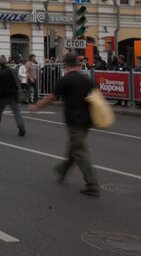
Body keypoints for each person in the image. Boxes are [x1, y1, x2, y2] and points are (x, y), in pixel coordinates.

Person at [31, 52, 100, 197]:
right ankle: (62, 170)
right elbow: (97, 99)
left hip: (75, 121)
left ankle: (92, 184)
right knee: (74, 148)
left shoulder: (66, 80)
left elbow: (51, 97)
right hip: (87, 121)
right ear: (78, 64)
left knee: (79, 151)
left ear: (65, 65)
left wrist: (37, 106)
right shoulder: (86, 79)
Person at [0, 56, 26, 136]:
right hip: (13, 94)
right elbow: (17, 82)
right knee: (17, 112)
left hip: (3, 96)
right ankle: (21, 127)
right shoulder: (12, 70)